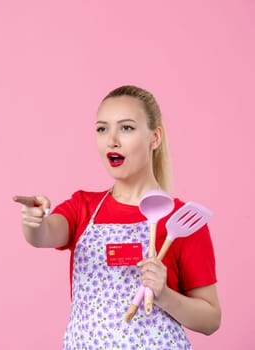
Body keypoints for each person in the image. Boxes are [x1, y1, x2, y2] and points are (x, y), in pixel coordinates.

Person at [13, 85, 221, 349]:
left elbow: (211, 319)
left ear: (154, 138)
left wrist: (165, 295)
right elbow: (43, 235)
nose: (111, 140)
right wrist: (34, 220)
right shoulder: (82, 207)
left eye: (126, 128)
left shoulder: (181, 220)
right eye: (102, 129)